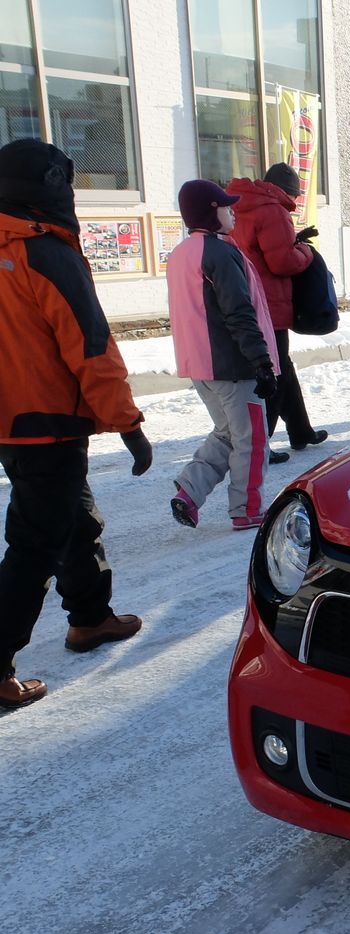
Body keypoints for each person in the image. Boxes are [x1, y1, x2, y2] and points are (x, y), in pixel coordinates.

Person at [0, 138, 150, 708]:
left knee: (75, 516)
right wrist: (127, 423)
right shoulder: (45, 252)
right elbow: (90, 347)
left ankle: (89, 617)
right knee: (33, 546)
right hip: (49, 422)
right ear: (50, 188)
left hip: (12, 423)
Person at [167, 178, 280, 531]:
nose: (233, 212)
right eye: (226, 207)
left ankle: (189, 490)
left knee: (228, 433)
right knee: (252, 438)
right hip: (232, 366)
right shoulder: (220, 253)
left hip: (200, 365)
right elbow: (239, 312)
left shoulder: (181, 253)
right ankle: (248, 507)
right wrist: (261, 362)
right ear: (211, 212)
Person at [226, 163, 327, 462]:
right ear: (287, 192)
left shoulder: (240, 205)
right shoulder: (272, 210)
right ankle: (261, 445)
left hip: (247, 299)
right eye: (294, 197)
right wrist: (306, 251)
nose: (294, 204)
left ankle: (300, 429)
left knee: (283, 366)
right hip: (270, 303)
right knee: (275, 372)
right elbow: (283, 262)